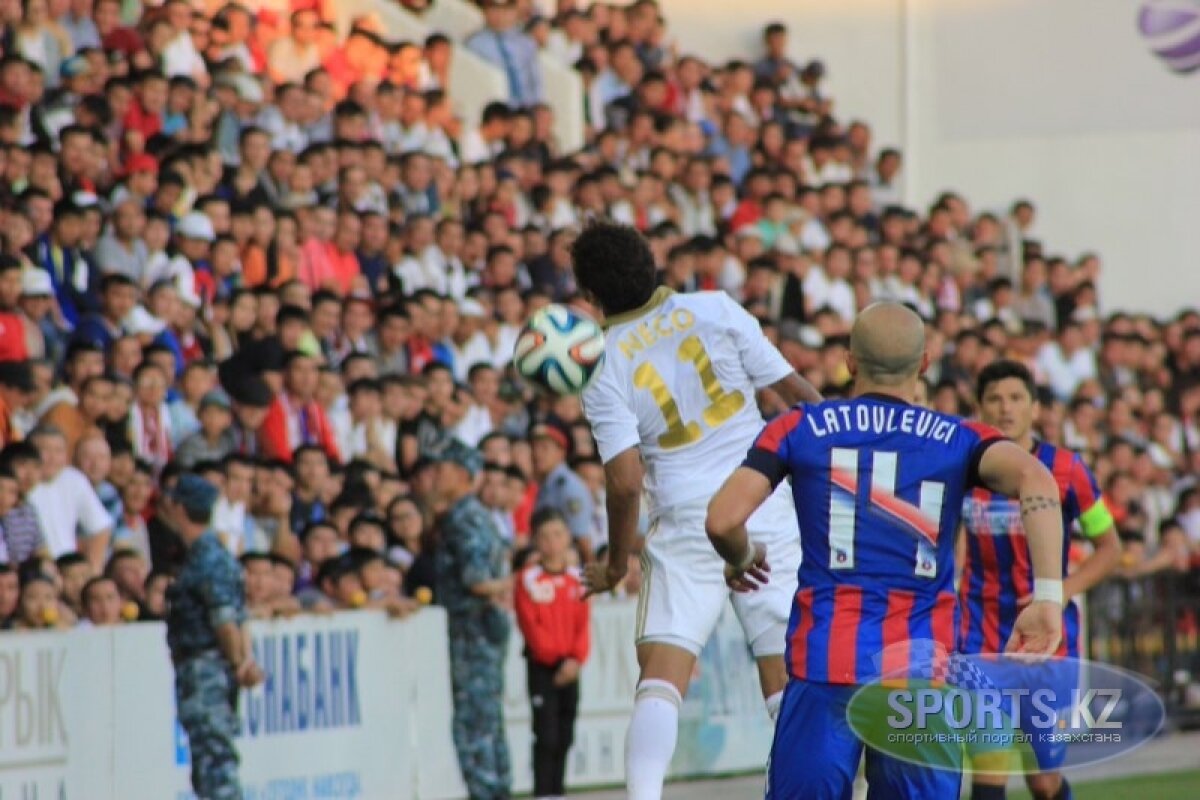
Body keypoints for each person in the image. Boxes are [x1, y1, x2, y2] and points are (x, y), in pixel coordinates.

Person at [705, 302, 1068, 800]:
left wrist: (743, 555)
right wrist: (1047, 596)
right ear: (924, 364)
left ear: (850, 362)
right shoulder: (958, 439)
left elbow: (722, 519)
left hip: (825, 664)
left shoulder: (800, 427)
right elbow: (1036, 478)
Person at [573, 221, 821, 800]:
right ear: (652, 262)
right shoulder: (716, 308)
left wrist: (615, 564)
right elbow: (797, 395)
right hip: (762, 498)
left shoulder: (600, 362)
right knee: (784, 671)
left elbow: (626, 480)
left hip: (687, 518)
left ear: (591, 296)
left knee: (662, 675)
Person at [962, 360, 1121, 800]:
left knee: (1042, 779)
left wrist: (1061, 593)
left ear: (1034, 408)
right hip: (982, 637)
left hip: (1049, 647)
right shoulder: (963, 470)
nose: (1005, 407)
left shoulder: (1068, 471)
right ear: (979, 407)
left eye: (1015, 398)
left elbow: (1110, 546)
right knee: (989, 769)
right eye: (994, 398)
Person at [163, 473, 264, 800]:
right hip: (209, 667)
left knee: (214, 761)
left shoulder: (206, 558)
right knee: (208, 762)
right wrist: (242, 660)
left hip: (205, 669)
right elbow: (238, 614)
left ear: (181, 509)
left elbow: (225, 619)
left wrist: (238, 661)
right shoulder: (216, 555)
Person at [429, 438, 512, 800]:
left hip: (472, 630)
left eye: (442, 469)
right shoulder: (478, 514)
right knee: (489, 720)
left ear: (462, 476)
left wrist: (504, 586)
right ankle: (497, 789)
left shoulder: (463, 518)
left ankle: (485, 791)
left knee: (473, 723)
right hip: (484, 628)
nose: (434, 476)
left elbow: (476, 580)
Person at [514, 509, 590, 800]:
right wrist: (553, 658)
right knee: (545, 735)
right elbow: (529, 624)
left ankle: (558, 791)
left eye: (557, 534)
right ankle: (544, 793)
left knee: (565, 733)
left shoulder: (578, 578)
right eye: (544, 536)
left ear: (568, 537)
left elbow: (584, 624)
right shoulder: (528, 579)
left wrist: (576, 659)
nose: (552, 542)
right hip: (543, 667)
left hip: (571, 666)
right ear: (535, 540)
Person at [530, 418, 595, 560]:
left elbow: (582, 539)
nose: (537, 453)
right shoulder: (548, 482)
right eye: (534, 447)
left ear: (561, 452)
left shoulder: (569, 487)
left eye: (544, 448)